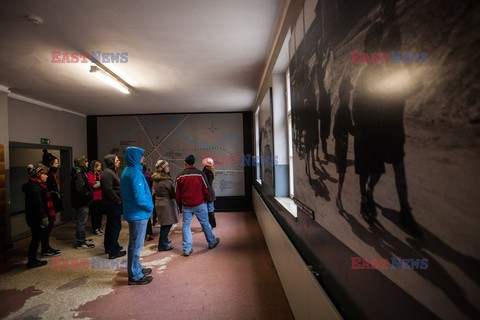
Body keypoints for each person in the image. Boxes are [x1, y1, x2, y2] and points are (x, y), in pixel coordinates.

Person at [120, 147, 154, 285]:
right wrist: (150, 207)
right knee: (136, 245)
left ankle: (136, 268)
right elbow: (140, 198)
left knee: (134, 244)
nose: (143, 158)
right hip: (138, 214)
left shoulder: (128, 170)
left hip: (133, 212)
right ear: (135, 157)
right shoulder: (135, 173)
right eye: (141, 155)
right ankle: (135, 275)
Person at [176, 155, 219, 257]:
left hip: (186, 205)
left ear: (185, 164)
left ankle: (186, 249)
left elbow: (177, 193)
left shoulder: (180, 176)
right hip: (200, 204)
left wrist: (179, 204)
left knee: (186, 226)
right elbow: (206, 189)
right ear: (194, 163)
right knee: (205, 223)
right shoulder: (200, 174)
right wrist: (206, 199)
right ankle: (212, 242)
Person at [22, 165, 53, 268]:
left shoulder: (37, 186)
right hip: (36, 218)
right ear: (38, 175)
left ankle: (33, 259)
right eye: (44, 174)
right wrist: (44, 217)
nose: (46, 176)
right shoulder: (35, 188)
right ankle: (32, 261)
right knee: (36, 239)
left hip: (34, 217)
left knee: (36, 238)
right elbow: (38, 205)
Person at [333, 77, 354, 212]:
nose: (349, 96)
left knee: (342, 172)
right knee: (342, 172)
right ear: (343, 94)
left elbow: (350, 128)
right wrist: (341, 140)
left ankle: (338, 196)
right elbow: (334, 131)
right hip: (340, 146)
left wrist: (358, 130)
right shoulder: (341, 110)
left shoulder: (346, 109)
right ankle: (338, 197)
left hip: (344, 145)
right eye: (347, 94)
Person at [101, 154, 126, 259]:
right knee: (115, 226)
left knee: (111, 226)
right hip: (112, 204)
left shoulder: (111, 172)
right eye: (116, 160)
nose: (119, 161)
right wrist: (118, 200)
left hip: (113, 203)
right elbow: (108, 189)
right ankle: (113, 251)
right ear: (111, 161)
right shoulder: (107, 173)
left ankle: (111, 246)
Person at [152, 160, 178, 251]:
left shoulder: (156, 179)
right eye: (167, 166)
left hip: (159, 203)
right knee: (166, 225)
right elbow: (172, 193)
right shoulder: (166, 180)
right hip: (167, 204)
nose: (168, 167)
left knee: (165, 223)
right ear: (162, 168)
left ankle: (165, 240)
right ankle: (162, 245)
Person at [41, 150, 62, 257]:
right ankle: (45, 249)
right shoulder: (47, 176)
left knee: (49, 227)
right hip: (47, 207)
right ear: (49, 164)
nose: (57, 165)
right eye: (56, 163)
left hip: (52, 205)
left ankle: (47, 247)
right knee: (46, 228)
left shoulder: (52, 174)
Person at [71, 156, 95, 249]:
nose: (87, 163)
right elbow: (80, 189)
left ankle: (83, 238)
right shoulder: (78, 173)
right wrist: (88, 195)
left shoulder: (80, 172)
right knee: (81, 222)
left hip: (81, 201)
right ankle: (80, 241)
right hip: (81, 202)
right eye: (85, 162)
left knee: (82, 222)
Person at [87, 160, 104, 236]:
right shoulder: (90, 174)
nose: (100, 167)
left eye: (100, 165)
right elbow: (93, 184)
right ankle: (95, 228)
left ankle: (99, 227)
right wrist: (100, 183)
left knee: (100, 214)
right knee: (95, 214)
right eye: (98, 165)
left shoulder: (101, 174)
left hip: (101, 197)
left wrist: (99, 183)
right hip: (94, 197)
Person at [201, 157, 217, 228]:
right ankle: (212, 224)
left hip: (208, 193)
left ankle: (210, 225)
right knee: (210, 209)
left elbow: (205, 183)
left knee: (209, 210)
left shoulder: (207, 172)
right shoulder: (209, 171)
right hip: (210, 193)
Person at [143, 164, 155, 241]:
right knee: (148, 216)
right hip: (149, 197)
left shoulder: (140, 177)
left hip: (143, 198)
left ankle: (145, 234)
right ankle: (149, 233)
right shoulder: (149, 177)